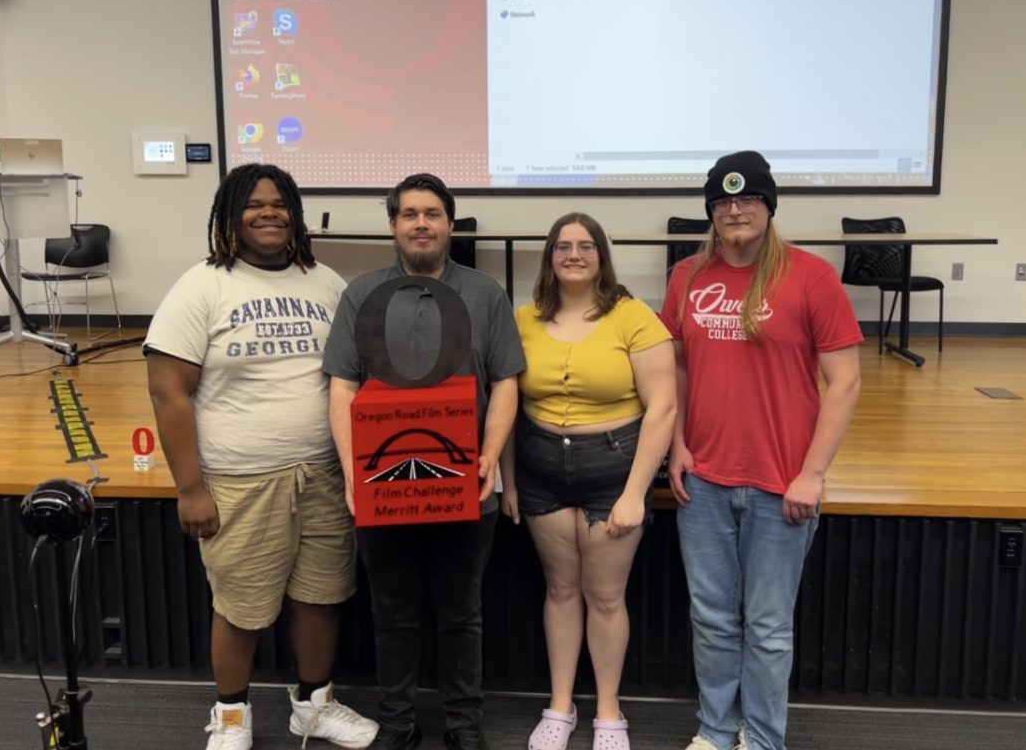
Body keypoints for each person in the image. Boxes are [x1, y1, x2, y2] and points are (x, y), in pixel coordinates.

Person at [144, 164, 378, 750]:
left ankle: (314, 707)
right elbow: (167, 391)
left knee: (321, 599)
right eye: (254, 204)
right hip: (239, 481)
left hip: (324, 474)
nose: (268, 212)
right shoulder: (202, 286)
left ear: (296, 214)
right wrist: (190, 488)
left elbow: (354, 377)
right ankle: (231, 717)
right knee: (242, 609)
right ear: (230, 214)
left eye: (280, 203)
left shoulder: (324, 281)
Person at [661, 151, 862, 750]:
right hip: (703, 481)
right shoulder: (687, 278)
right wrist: (676, 445)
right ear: (711, 213)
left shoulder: (811, 276)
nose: (735, 210)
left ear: (769, 206)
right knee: (713, 620)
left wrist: (813, 474)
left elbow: (845, 382)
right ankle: (716, 731)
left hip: (783, 484)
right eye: (722, 202)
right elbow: (673, 367)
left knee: (769, 627)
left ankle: (765, 738)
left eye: (748, 199)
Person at [324, 173, 526, 750]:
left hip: (467, 485)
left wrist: (489, 458)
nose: (421, 224)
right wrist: (352, 474)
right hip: (381, 485)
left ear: (450, 224)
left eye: (432, 214)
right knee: (393, 614)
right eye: (409, 214)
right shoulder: (360, 294)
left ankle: (464, 728)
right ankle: (398, 724)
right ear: (393, 225)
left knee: (462, 614)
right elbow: (342, 387)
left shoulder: (486, 294)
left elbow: (507, 382)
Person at [500, 213, 676, 750]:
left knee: (604, 596)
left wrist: (633, 493)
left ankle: (607, 710)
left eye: (585, 246)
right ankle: (559, 706)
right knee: (560, 589)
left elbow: (664, 408)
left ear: (601, 254)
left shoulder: (634, 317)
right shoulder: (523, 318)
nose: (573, 255)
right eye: (562, 246)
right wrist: (508, 481)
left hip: (613, 470)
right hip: (540, 468)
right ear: (549, 256)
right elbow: (508, 404)